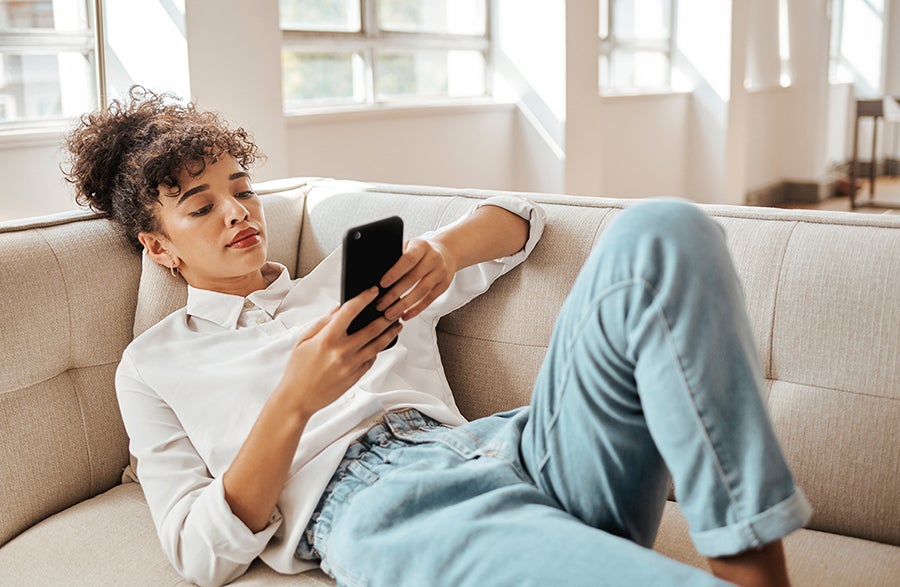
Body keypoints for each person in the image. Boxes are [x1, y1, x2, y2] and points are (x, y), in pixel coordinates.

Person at [65, 87, 811, 587]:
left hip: (516, 448)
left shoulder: (349, 279)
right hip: (380, 503)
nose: (237, 212)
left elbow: (521, 221)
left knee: (665, 227)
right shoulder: (153, 364)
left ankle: (748, 556)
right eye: (201, 207)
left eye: (242, 188)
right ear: (157, 247)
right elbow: (199, 550)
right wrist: (294, 400)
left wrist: (449, 247)